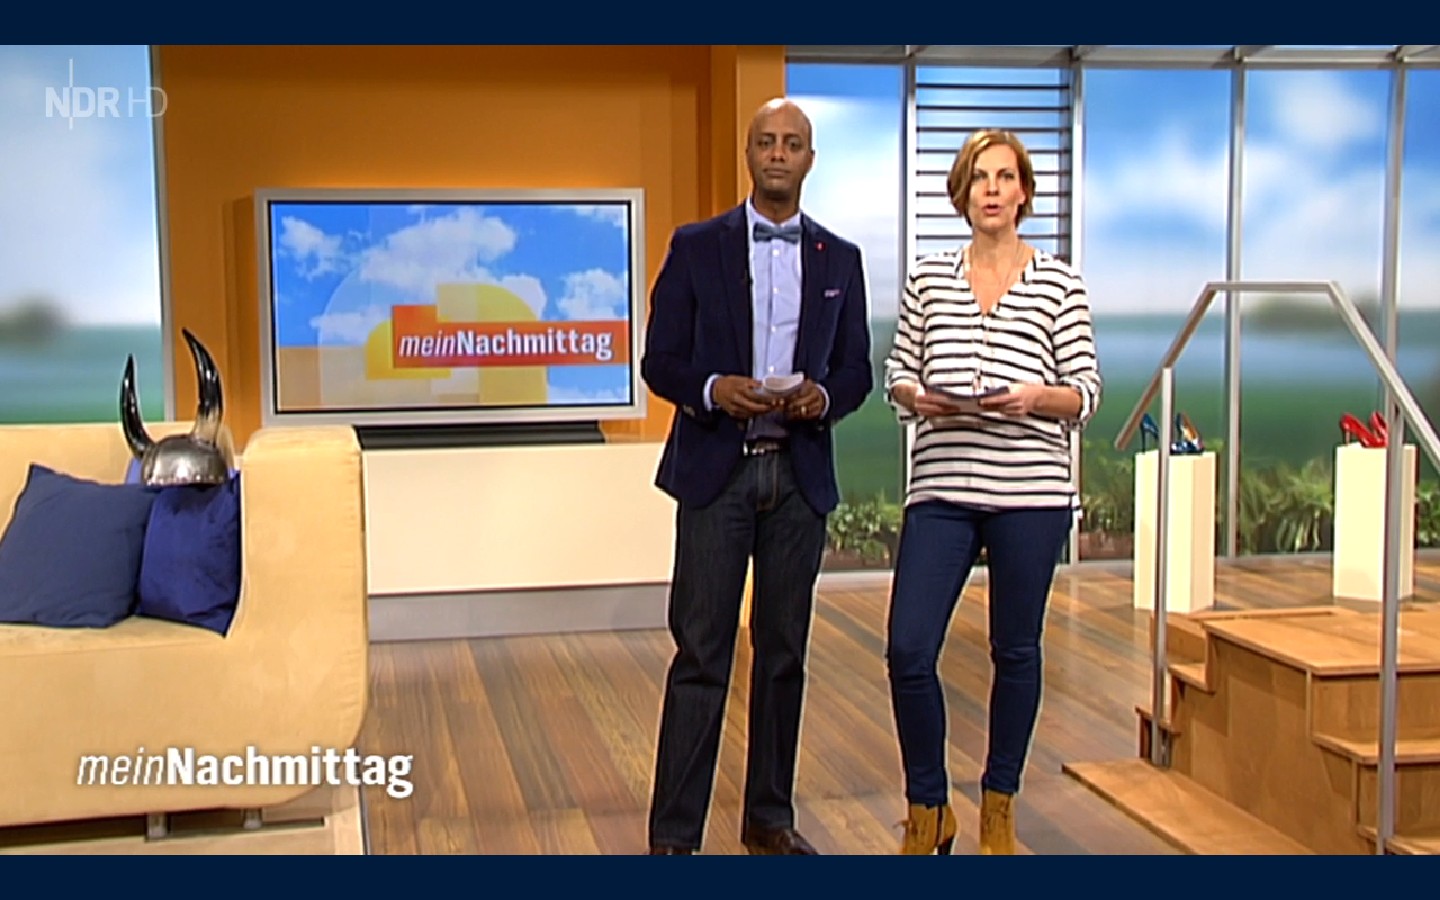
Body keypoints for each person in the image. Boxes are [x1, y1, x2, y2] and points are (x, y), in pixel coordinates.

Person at [639, 97, 874, 855]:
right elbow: (660, 361)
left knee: (783, 656)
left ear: (810, 159)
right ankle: (675, 839)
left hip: (798, 481)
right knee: (701, 655)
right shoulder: (695, 247)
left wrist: (824, 399)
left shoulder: (841, 260)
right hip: (719, 476)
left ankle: (769, 821)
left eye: (792, 143)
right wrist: (714, 389)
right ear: (749, 154)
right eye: (766, 141)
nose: (778, 153)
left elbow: (858, 369)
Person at [881, 129, 1102, 855]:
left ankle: (998, 805)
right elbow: (898, 375)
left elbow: (1086, 393)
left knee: (1016, 649)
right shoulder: (928, 278)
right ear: (962, 192)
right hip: (942, 485)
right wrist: (919, 397)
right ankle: (928, 807)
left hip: (1030, 491)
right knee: (909, 649)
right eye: (980, 178)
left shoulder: (1059, 283)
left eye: (1005, 177)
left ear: (1024, 193)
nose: (993, 190)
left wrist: (1037, 396)